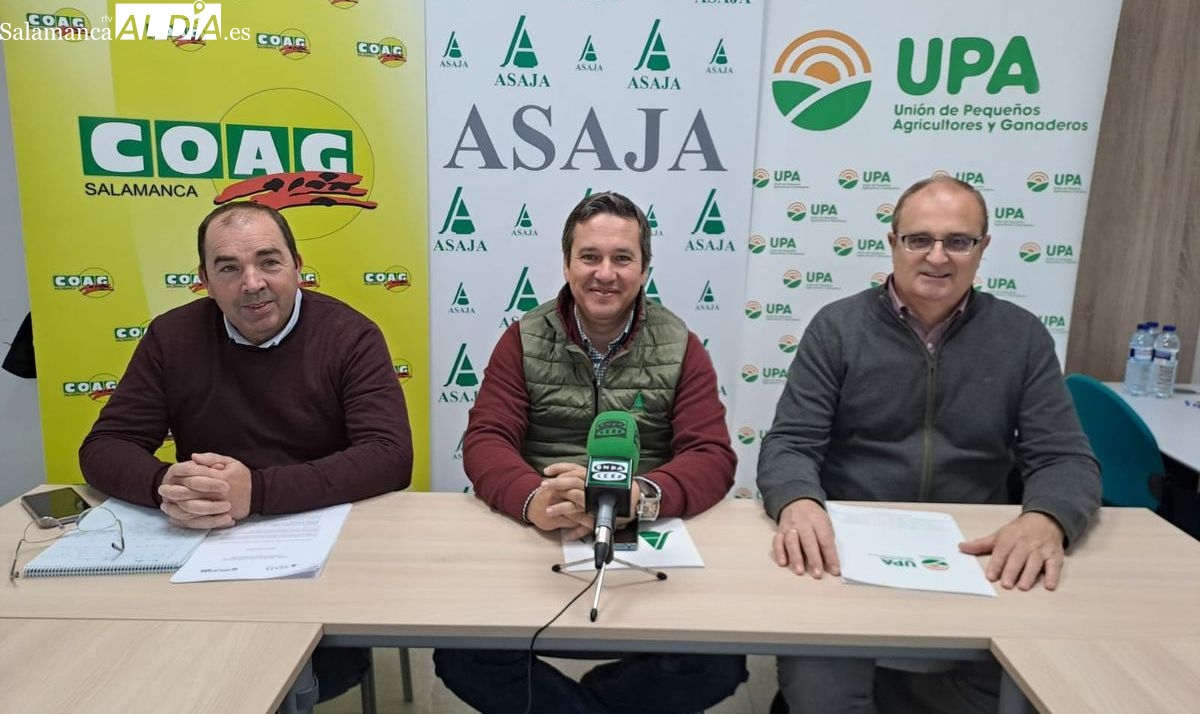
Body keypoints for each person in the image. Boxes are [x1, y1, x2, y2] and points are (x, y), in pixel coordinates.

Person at [757, 176, 1100, 713]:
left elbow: (1064, 457)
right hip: (847, 555)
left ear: (983, 248)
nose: (937, 257)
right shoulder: (837, 328)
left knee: (1026, 689)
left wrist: (1047, 519)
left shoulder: (1022, 336)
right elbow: (789, 444)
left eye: (958, 241)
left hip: (977, 557)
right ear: (892, 243)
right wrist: (798, 501)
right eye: (919, 239)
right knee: (822, 694)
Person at [79, 202, 413, 702]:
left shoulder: (350, 335)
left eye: (269, 262)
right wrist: (165, 483)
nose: (252, 283)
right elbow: (105, 445)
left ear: (297, 266)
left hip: (320, 546)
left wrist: (255, 491)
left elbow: (389, 455)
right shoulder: (171, 337)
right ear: (204, 280)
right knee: (160, 668)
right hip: (206, 543)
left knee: (280, 677)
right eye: (229, 268)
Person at [433, 191, 746, 713]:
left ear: (644, 268)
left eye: (622, 258)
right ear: (566, 263)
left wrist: (642, 496)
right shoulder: (523, 339)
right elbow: (486, 439)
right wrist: (533, 498)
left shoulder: (680, 343)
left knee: (718, 663)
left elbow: (711, 454)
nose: (605, 273)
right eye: (590, 257)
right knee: (463, 655)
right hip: (540, 536)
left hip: (647, 538)